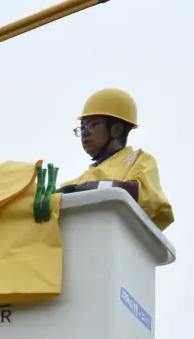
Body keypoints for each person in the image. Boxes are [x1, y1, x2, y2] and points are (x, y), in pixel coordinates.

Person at [57, 88, 174, 232]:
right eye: (82, 127)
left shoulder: (139, 161)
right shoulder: (78, 181)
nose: (85, 132)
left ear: (116, 129)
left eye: (92, 125)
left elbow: (148, 197)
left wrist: (91, 188)